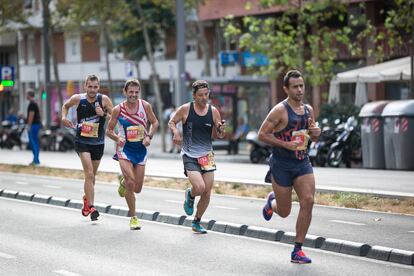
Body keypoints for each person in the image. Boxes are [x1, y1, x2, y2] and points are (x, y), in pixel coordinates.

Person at [258, 70, 321, 264]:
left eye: (302, 85)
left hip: (302, 162)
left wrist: (317, 133)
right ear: (286, 89)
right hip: (282, 164)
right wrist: (286, 144)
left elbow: (312, 135)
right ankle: (272, 201)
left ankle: (297, 250)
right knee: (284, 212)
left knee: (308, 201)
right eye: (295, 86)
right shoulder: (279, 110)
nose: (300, 90)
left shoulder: (309, 110)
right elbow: (262, 135)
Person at [168, 80, 226, 234]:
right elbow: (172, 122)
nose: (204, 98)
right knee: (199, 187)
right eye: (200, 95)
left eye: (206, 94)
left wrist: (220, 129)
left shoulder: (213, 111)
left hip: (207, 155)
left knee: (207, 191)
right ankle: (190, 194)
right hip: (190, 154)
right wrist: (176, 132)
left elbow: (220, 134)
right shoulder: (186, 109)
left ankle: (196, 221)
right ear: (193, 96)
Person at [106, 79, 159, 230]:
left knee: (137, 188)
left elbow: (155, 122)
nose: (133, 95)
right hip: (125, 150)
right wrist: (117, 138)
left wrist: (149, 136)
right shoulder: (118, 110)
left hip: (140, 150)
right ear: (125, 92)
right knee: (131, 181)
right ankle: (133, 217)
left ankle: (123, 182)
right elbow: (108, 131)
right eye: (131, 92)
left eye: (136, 92)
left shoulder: (145, 106)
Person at [61, 74, 113, 221]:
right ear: (85, 86)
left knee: (92, 177)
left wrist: (103, 114)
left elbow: (114, 115)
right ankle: (92, 207)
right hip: (82, 141)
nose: (92, 89)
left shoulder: (104, 100)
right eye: (90, 86)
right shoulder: (78, 98)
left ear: (99, 87)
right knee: (89, 174)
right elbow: (65, 106)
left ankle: (86, 199)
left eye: (95, 87)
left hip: (98, 143)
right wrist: (64, 118)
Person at [26, 90, 42, 165]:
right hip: (36, 124)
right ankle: (35, 159)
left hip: (33, 125)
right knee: (34, 142)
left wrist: (29, 126)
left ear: (29, 95)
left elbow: (31, 115)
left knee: (33, 142)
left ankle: (36, 160)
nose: (26, 95)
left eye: (27, 94)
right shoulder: (34, 103)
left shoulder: (32, 104)